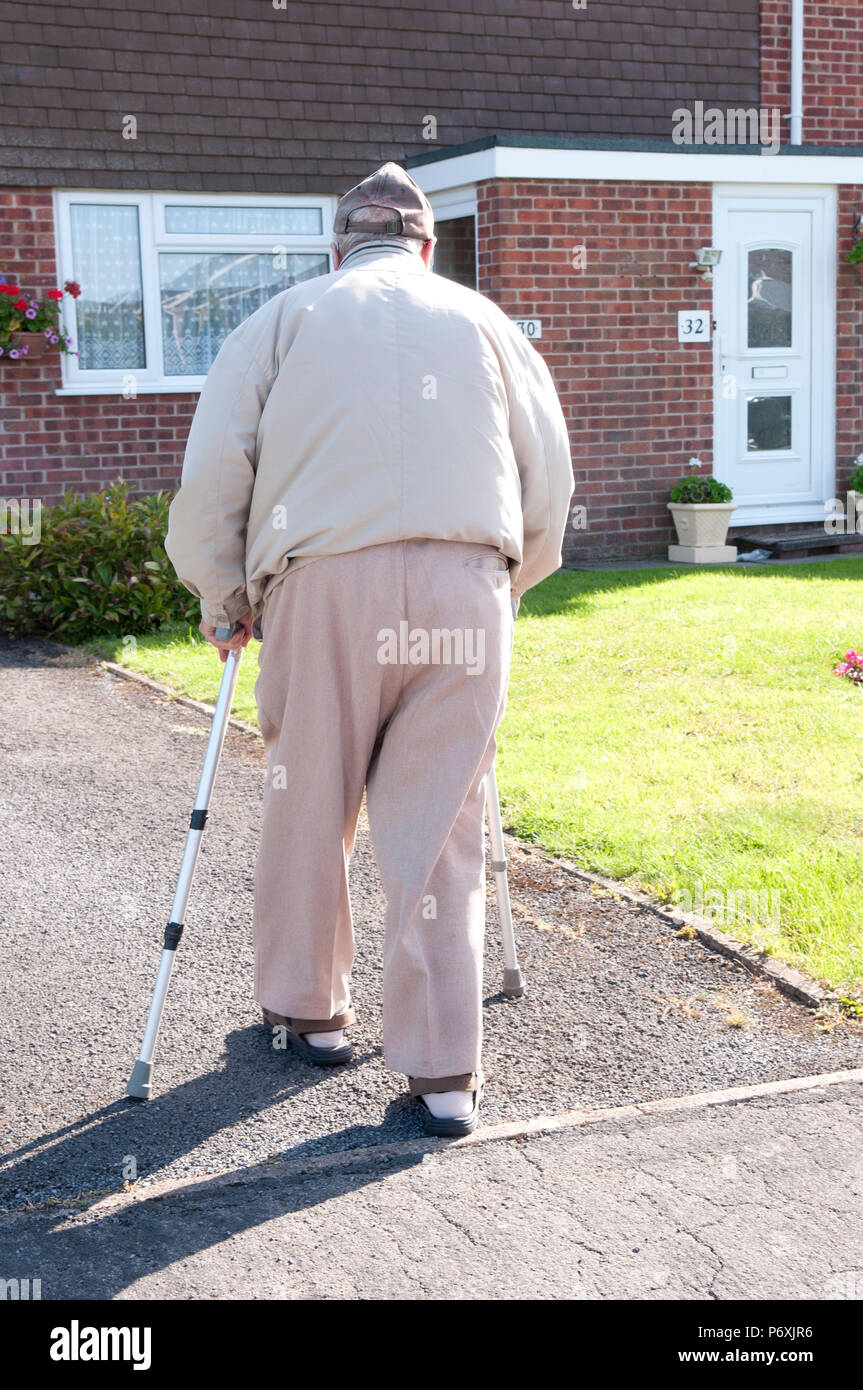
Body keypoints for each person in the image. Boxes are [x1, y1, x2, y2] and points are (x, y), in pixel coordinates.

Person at [165, 162, 573, 1136]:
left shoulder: (282, 319)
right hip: (465, 584)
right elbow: (547, 479)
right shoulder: (483, 324)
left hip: (320, 580)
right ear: (426, 246)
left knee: (307, 796)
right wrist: (503, 586)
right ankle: (442, 1077)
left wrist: (222, 595)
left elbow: (215, 467)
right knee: (439, 828)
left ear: (338, 246)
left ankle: (308, 1011)